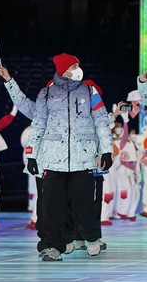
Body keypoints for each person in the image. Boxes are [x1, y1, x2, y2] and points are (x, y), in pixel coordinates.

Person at [25, 54, 114, 261]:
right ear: (63, 69)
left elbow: (101, 121)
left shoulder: (89, 91)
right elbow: (38, 125)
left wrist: (107, 151)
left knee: (84, 204)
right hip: (53, 160)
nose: (78, 68)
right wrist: (32, 154)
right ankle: (52, 246)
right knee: (52, 207)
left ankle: (92, 238)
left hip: (82, 159)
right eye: (74, 65)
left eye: (78, 65)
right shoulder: (46, 94)